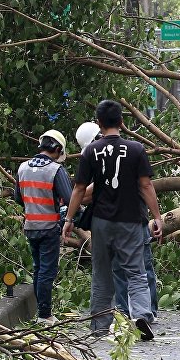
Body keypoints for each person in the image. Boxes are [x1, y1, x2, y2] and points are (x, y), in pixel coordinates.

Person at [63, 100, 163, 340]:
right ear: (121, 122)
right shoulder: (136, 149)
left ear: (99, 123)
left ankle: (99, 324)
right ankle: (140, 315)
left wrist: (68, 218)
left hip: (101, 220)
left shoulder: (90, 151)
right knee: (136, 272)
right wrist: (157, 216)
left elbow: (78, 189)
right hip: (130, 220)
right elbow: (146, 185)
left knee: (102, 273)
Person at [15, 129, 72, 325]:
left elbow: (18, 198)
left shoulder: (22, 168)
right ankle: (45, 314)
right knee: (47, 272)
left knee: (38, 269)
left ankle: (41, 311)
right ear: (57, 149)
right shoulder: (55, 170)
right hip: (49, 227)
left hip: (30, 226)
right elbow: (70, 198)